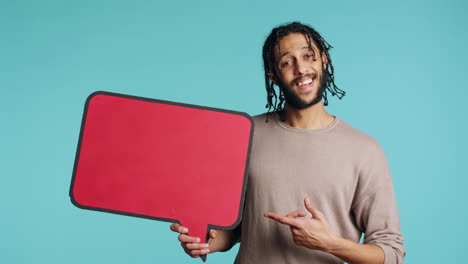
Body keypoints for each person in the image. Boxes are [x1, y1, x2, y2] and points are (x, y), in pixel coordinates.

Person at [170, 21, 405, 264]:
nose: (301, 69)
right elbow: (238, 228)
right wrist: (207, 242)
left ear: (324, 60)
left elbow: (392, 255)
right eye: (287, 62)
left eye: (308, 56)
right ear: (273, 74)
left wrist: (330, 243)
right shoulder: (245, 133)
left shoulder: (364, 150)